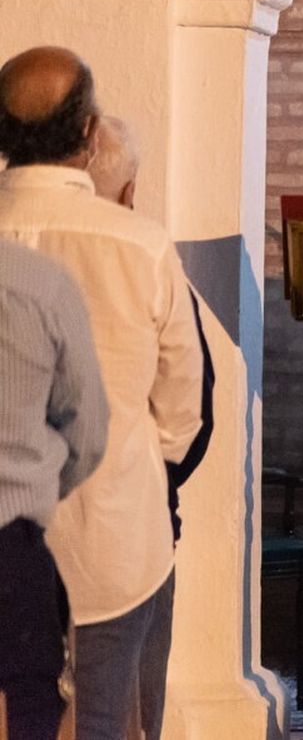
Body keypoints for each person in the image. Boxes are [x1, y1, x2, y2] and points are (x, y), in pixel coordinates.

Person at [0, 47, 204, 740]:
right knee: (105, 720)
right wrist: (137, 463)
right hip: (114, 524)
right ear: (89, 137)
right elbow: (183, 411)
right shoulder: (140, 246)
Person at [88, 115, 217, 738]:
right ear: (131, 189)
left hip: (23, 522)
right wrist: (149, 475)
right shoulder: (144, 252)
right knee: (128, 708)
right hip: (131, 529)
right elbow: (192, 408)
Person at [0, 240, 109, 740]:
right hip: (12, 531)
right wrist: (46, 492)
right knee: (31, 693)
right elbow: (86, 426)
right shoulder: (38, 280)